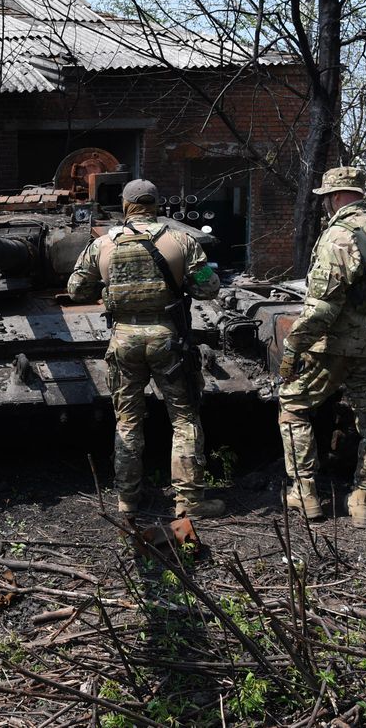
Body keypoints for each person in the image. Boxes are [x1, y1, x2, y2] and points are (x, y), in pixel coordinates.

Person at [68, 179, 224, 518]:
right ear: (156, 204)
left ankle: (127, 500)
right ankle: (190, 502)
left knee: (127, 421)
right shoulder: (180, 240)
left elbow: (76, 289)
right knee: (184, 419)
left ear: (125, 206)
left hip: (123, 338)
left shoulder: (102, 244)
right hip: (168, 337)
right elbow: (209, 287)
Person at [278, 165, 366, 528]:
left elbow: (323, 306)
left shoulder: (338, 236)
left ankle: (305, 494)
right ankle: (363, 501)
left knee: (293, 406)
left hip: (332, 346)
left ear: (334, 197)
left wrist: (294, 347)